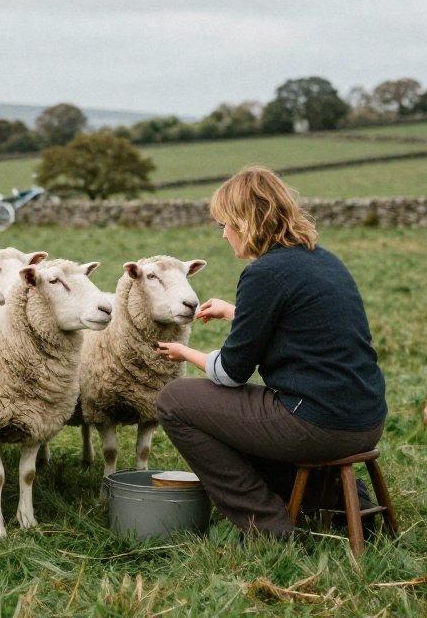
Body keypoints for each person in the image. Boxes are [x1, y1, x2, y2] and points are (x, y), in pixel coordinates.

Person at [155, 165, 386, 540]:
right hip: (365, 420)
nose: (224, 235)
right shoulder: (323, 259)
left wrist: (185, 352)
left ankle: (265, 524)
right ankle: (343, 502)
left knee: (176, 401)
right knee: (237, 415)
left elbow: (231, 373)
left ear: (245, 222)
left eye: (225, 225)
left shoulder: (263, 273)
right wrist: (235, 312)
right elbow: (300, 324)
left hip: (317, 425)